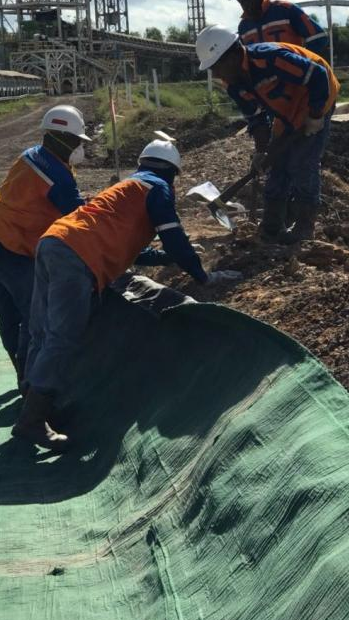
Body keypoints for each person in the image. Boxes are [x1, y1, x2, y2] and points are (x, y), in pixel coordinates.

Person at [13, 140, 242, 451]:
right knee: (63, 336)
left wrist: (168, 258)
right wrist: (202, 276)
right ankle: (32, 420)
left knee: (41, 330)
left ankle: (32, 403)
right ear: (172, 172)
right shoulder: (157, 187)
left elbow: (136, 250)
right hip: (77, 254)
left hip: (54, 241)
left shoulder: (129, 187)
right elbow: (173, 236)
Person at [0, 105, 90, 385]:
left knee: (7, 313)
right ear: (60, 138)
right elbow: (79, 219)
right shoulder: (57, 175)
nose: (79, 147)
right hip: (11, 248)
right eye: (76, 141)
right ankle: (30, 383)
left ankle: (21, 372)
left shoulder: (31, 157)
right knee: (32, 313)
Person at [196, 24, 340, 244]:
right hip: (286, 113)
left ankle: (304, 226)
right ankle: (272, 226)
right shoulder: (234, 85)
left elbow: (318, 75)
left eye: (216, 66)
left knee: (302, 162)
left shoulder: (271, 59)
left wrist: (315, 115)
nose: (215, 74)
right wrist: (262, 152)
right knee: (277, 165)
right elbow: (257, 119)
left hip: (316, 98)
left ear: (233, 55)